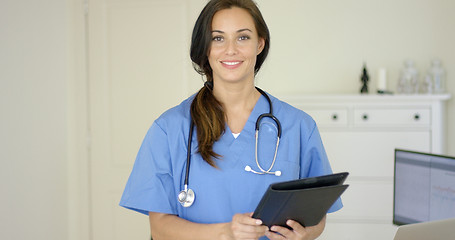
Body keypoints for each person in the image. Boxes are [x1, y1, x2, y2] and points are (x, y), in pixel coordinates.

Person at [119, 0, 342, 239]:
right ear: (205, 47)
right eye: (218, 38)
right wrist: (226, 232)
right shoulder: (169, 128)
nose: (231, 49)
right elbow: (160, 228)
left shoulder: (298, 126)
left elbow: (317, 217)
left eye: (243, 37)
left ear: (260, 43)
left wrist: (305, 234)